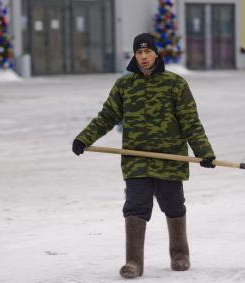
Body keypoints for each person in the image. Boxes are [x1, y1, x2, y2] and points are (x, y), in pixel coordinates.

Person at [72, 33, 216, 279]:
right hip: (135, 158)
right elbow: (107, 116)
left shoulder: (175, 84)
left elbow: (190, 122)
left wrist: (204, 152)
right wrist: (84, 138)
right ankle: (133, 262)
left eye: (148, 52)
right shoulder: (124, 85)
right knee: (135, 207)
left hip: (170, 158)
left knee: (173, 205)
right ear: (134, 56)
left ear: (156, 54)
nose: (144, 57)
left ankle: (180, 254)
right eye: (139, 53)